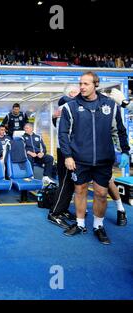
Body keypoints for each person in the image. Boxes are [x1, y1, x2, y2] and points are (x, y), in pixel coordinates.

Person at [59, 71, 130, 244]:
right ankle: (80, 224)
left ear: (95, 85)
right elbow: (63, 134)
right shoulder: (71, 106)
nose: (82, 87)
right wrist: (67, 155)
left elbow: (119, 130)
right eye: (80, 83)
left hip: (103, 159)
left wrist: (126, 151)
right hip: (80, 159)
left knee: (101, 193)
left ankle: (99, 226)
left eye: (86, 84)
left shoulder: (110, 105)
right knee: (80, 190)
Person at [47, 85, 80, 229]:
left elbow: (57, 124)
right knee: (66, 182)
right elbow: (64, 131)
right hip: (67, 151)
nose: (77, 94)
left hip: (67, 150)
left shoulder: (67, 106)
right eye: (74, 92)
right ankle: (54, 213)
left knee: (69, 182)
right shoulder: (67, 106)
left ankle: (63, 209)